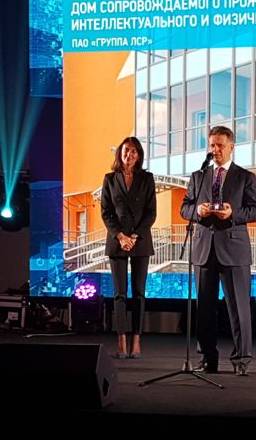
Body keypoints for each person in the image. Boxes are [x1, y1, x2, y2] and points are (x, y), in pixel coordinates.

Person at [180, 126, 256, 376]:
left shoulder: (245, 177)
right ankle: (208, 358)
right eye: (212, 145)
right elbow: (184, 208)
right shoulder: (198, 176)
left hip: (234, 250)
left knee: (238, 309)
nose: (215, 150)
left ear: (231, 147)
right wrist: (198, 211)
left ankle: (241, 360)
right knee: (204, 309)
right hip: (204, 249)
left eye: (220, 145)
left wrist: (232, 214)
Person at [100, 137, 156, 359]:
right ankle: (121, 339)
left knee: (139, 293)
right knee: (119, 294)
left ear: (139, 155)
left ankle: (136, 340)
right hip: (117, 241)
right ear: (120, 153)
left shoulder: (147, 178)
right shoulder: (110, 179)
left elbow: (151, 212)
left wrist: (134, 236)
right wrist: (121, 236)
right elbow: (106, 212)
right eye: (126, 150)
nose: (129, 154)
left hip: (140, 241)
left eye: (133, 151)